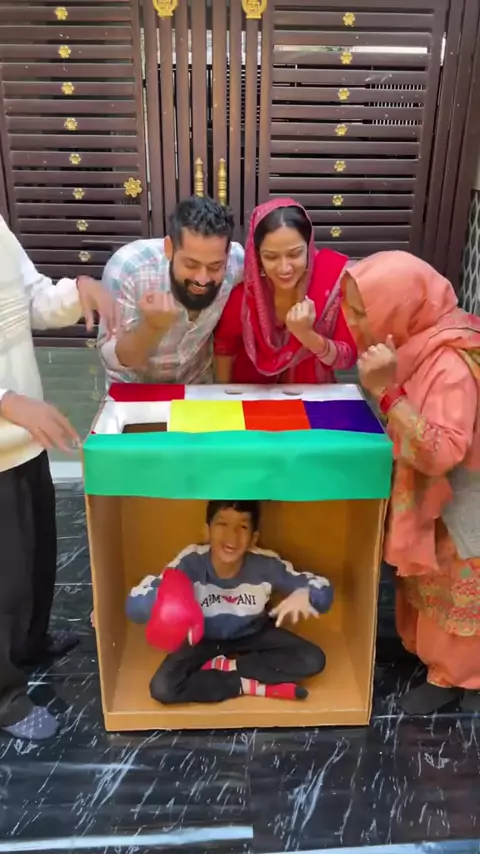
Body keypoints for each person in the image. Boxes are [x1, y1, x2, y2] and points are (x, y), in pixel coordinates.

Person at [341, 250, 480, 715]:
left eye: (363, 309)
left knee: (455, 592)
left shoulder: (449, 364)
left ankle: (458, 679)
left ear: (398, 306)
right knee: (429, 586)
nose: (355, 321)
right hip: (436, 499)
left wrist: (387, 392)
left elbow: (442, 451)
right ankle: (435, 661)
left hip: (460, 503)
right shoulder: (421, 344)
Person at [0, 216, 118, 741]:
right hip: (13, 417)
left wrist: (77, 291)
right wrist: (6, 400)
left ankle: (29, 642)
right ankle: (4, 697)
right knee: (4, 573)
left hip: (25, 435)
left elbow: (30, 299)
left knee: (36, 551)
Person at [126, 500, 331, 705]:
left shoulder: (266, 564)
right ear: (207, 531)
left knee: (312, 659)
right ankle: (248, 685)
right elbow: (135, 604)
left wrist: (308, 594)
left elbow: (322, 588)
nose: (232, 537)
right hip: (203, 639)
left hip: (253, 633)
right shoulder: (190, 562)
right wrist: (162, 600)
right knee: (162, 687)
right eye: (222, 524)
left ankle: (228, 668)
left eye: (243, 527)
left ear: (254, 538)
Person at [98, 196, 244, 386]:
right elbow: (113, 359)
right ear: (169, 248)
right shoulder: (128, 270)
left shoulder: (237, 263)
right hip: (134, 388)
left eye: (215, 266)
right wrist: (151, 328)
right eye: (191, 264)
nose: (202, 279)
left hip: (197, 385)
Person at [214, 198, 356, 384]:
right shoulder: (245, 296)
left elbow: (347, 359)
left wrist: (308, 336)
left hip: (312, 394)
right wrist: (223, 396)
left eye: (294, 254)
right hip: (254, 393)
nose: (284, 268)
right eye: (271, 257)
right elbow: (224, 347)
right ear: (257, 257)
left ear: (309, 247)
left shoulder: (332, 279)